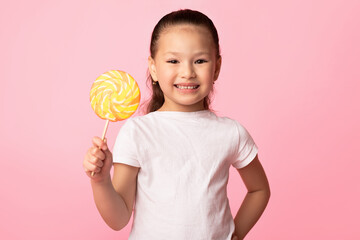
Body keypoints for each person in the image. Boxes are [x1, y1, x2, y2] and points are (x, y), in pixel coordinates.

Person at [83, 9, 270, 240]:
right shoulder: (137, 133)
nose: (187, 72)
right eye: (173, 61)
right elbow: (118, 218)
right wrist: (100, 181)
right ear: (153, 67)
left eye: (200, 61)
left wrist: (236, 234)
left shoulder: (231, 133)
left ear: (217, 67)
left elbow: (259, 190)